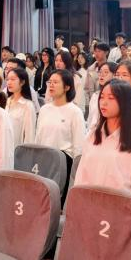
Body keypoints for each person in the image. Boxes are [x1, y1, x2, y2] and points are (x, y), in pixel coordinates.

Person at [74, 80, 131, 203]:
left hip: (121, 208)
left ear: (125, 103)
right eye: (102, 97)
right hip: (90, 205)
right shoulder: (92, 136)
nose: (103, 102)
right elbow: (81, 177)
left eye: (111, 98)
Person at [36, 69, 85, 205]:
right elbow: (38, 138)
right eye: (49, 82)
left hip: (64, 163)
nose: (51, 85)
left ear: (67, 87)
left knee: (57, 203)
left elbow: (79, 146)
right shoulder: (44, 109)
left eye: (56, 82)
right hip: (43, 161)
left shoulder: (74, 112)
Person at [5, 68, 36, 149]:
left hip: (18, 150)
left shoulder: (27, 105)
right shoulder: (7, 101)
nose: (9, 82)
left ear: (22, 82)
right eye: (7, 79)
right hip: (5, 147)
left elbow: (30, 136)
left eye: (13, 79)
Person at [86, 62, 117, 132]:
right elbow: (90, 119)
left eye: (106, 72)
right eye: (100, 72)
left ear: (114, 75)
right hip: (93, 133)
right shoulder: (95, 95)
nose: (101, 75)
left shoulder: (118, 96)